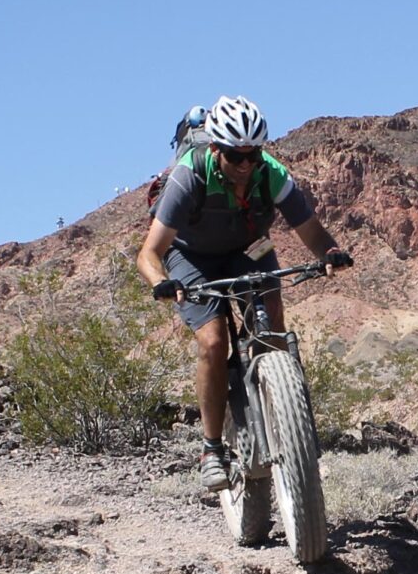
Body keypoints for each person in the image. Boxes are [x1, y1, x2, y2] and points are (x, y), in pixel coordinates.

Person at [136, 97, 352, 489]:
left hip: (249, 251)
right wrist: (160, 281)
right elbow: (149, 253)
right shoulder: (190, 177)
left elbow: (312, 232)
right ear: (216, 148)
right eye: (237, 156)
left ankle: (292, 424)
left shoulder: (271, 174)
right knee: (214, 342)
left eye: (254, 154)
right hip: (192, 258)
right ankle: (212, 448)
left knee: (270, 322)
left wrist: (330, 253)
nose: (246, 164)